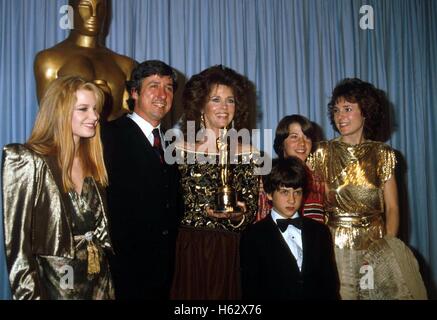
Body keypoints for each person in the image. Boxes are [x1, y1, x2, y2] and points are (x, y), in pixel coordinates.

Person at [310, 78, 427, 299]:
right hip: (335, 245)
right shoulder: (322, 153)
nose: (340, 117)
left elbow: (392, 208)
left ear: (365, 112)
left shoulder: (383, 154)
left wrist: (385, 249)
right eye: (336, 110)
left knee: (372, 295)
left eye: (347, 109)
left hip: (375, 244)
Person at [2, 76, 114, 299]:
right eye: (83, 109)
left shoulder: (94, 161)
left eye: (95, 109)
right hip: (57, 284)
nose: (95, 116)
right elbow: (18, 248)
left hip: (99, 280)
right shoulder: (27, 160)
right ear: (60, 112)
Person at [170, 65, 263, 300]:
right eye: (216, 99)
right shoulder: (178, 149)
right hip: (188, 248)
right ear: (201, 104)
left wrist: (236, 216)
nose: (224, 107)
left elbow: (251, 209)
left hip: (230, 250)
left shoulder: (250, 153)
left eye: (230, 101)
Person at [101, 60, 183, 300]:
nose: (162, 94)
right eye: (154, 86)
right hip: (122, 271)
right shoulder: (108, 135)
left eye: (168, 87)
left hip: (164, 270)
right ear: (134, 92)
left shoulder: (169, 142)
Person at [240, 157, 339, 299]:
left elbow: (331, 286)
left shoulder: (320, 232)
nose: (292, 200)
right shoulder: (253, 236)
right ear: (269, 193)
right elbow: (251, 290)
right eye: (284, 192)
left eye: (297, 192)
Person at [34, 0, 137, 121]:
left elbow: (130, 116)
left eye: (100, 8)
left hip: (115, 139)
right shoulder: (49, 60)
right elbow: (50, 116)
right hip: (68, 139)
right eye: (85, 7)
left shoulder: (126, 65)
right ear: (70, 11)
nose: (94, 15)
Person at [273, 114, 325, 223]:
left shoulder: (319, 180)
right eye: (294, 137)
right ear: (282, 142)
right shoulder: (269, 176)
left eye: (307, 137)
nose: (302, 143)